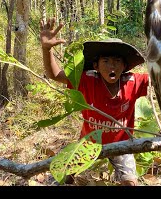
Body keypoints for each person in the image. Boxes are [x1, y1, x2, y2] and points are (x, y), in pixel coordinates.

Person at [40, 17, 149, 186]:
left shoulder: (133, 81)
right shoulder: (87, 80)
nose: (111, 66)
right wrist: (46, 49)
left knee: (130, 182)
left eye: (117, 61)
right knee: (60, 177)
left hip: (122, 145)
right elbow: (55, 75)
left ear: (125, 66)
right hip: (89, 143)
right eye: (105, 61)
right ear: (96, 66)